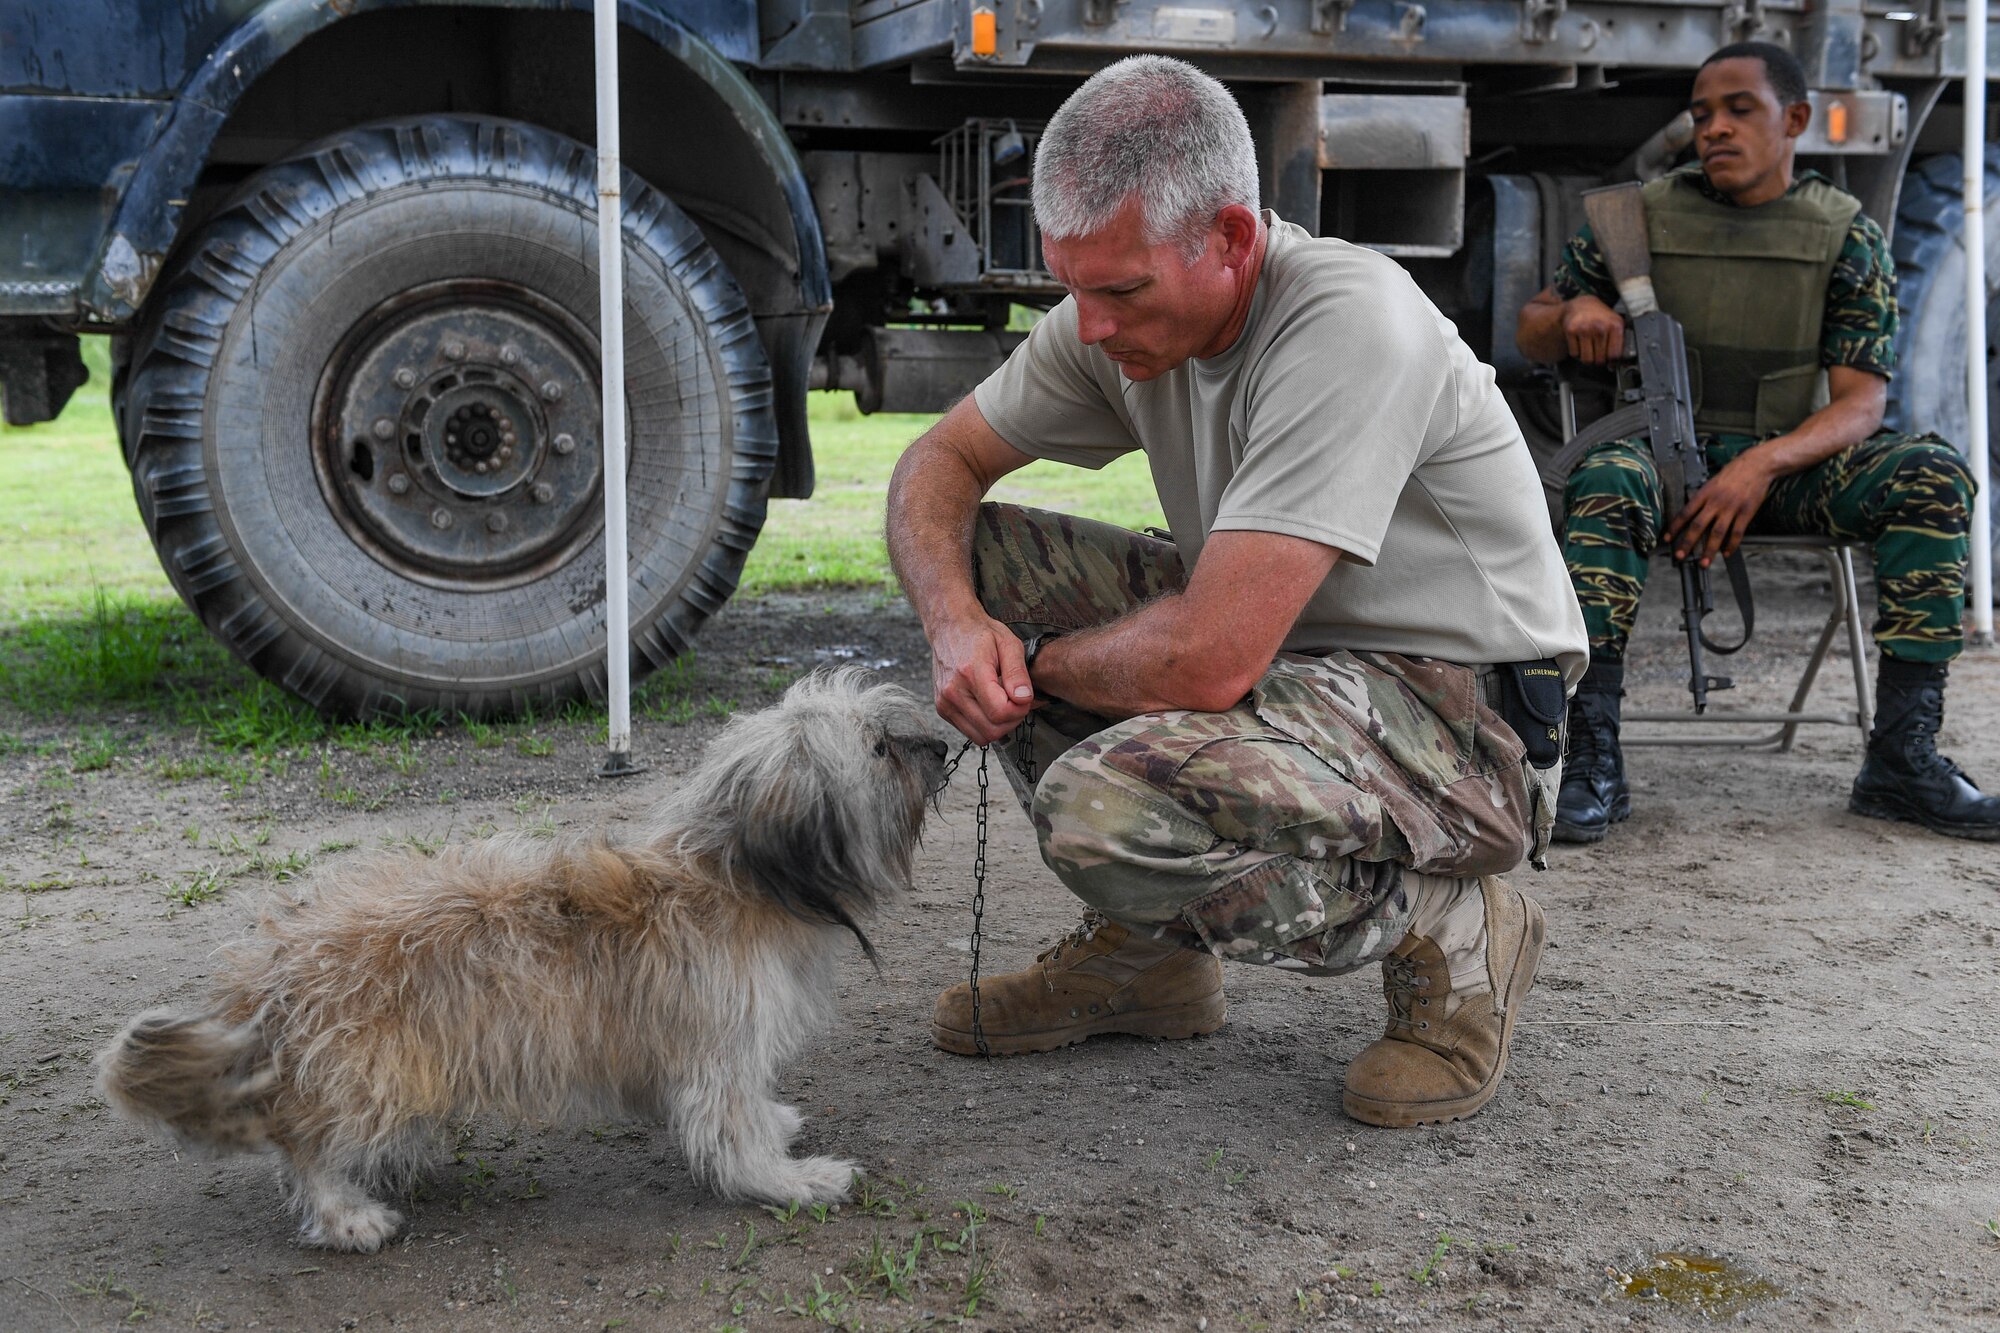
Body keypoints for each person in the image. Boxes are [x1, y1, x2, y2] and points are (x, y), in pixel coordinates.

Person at [885, 56, 1588, 1128]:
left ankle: (1451, 927)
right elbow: (935, 467)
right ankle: (1151, 961)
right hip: (1293, 661)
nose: (1094, 326)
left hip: (1461, 711)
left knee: (1102, 807)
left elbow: (1204, 659)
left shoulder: (1350, 321)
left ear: (1230, 238)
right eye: (1072, 286)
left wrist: (1030, 663)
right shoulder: (1109, 318)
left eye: (1120, 289)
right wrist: (954, 626)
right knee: (980, 563)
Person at [1518, 41, 1998, 844]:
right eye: (1703, 114)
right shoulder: (1638, 216)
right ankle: (1591, 756)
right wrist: (1572, 316)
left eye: (1741, 110)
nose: (1715, 129)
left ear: (1796, 120)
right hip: (1659, 461)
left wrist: (1761, 463)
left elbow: (1860, 405)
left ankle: (1902, 759)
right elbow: (1532, 329)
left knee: (1934, 474)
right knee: (1605, 477)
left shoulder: (1845, 234)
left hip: (1787, 466)